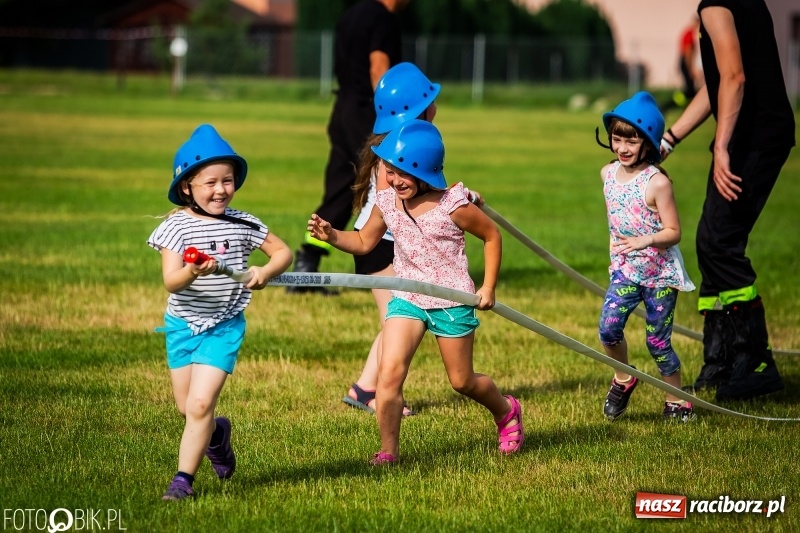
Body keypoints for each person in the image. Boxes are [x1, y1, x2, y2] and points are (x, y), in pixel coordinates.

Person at [308, 120, 523, 463]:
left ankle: (506, 410)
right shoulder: (388, 201)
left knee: (462, 381)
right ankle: (389, 451)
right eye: (389, 171)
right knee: (389, 376)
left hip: (451, 300)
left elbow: (492, 236)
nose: (394, 180)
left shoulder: (452, 206)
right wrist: (333, 236)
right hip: (407, 295)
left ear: (426, 171)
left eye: (402, 173)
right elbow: (364, 241)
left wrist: (488, 287)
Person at [148, 124, 293, 500]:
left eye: (227, 181)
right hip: (182, 325)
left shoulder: (243, 223)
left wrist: (264, 271)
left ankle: (183, 482)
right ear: (187, 187)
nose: (220, 190)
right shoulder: (175, 228)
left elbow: (283, 253)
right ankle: (216, 436)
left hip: (224, 326)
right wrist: (192, 270)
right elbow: (171, 282)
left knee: (199, 404)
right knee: (187, 409)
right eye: (210, 182)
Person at [660, 0, 794, 401]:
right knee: (710, 241)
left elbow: (735, 78)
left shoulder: (717, 4)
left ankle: (755, 362)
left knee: (720, 242)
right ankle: (721, 361)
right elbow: (717, 85)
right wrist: (668, 140)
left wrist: (721, 147)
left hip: (756, 135)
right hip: (755, 133)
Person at [343, 62, 481, 417]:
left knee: (397, 318)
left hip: (392, 244)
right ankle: (372, 392)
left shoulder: (408, 144)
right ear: (420, 109)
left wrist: (459, 197)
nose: (436, 106)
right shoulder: (396, 153)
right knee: (398, 318)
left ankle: (365, 388)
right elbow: (411, 203)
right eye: (430, 101)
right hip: (381, 245)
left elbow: (430, 196)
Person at [288, 0, 409, 293]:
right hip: (368, 113)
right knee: (389, 181)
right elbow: (378, 67)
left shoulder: (351, 14)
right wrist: (391, 117)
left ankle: (308, 259)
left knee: (342, 188)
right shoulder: (383, 18)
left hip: (342, 110)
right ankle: (388, 262)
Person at [596, 92, 697, 422]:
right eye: (617, 139)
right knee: (609, 330)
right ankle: (624, 378)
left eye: (632, 140)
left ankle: (677, 401)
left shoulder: (657, 183)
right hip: (625, 271)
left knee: (658, 343)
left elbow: (674, 231)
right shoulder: (607, 174)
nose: (623, 148)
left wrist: (646, 240)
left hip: (659, 276)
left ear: (649, 142)